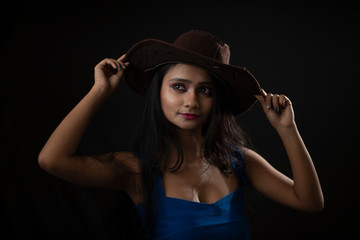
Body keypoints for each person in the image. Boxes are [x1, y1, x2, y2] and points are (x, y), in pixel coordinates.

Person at [38, 30, 324, 240]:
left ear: (217, 101)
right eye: (179, 87)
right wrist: (99, 91)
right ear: (158, 92)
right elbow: (52, 160)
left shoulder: (239, 161)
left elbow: (309, 201)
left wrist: (287, 130)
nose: (191, 101)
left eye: (205, 90)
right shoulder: (137, 171)